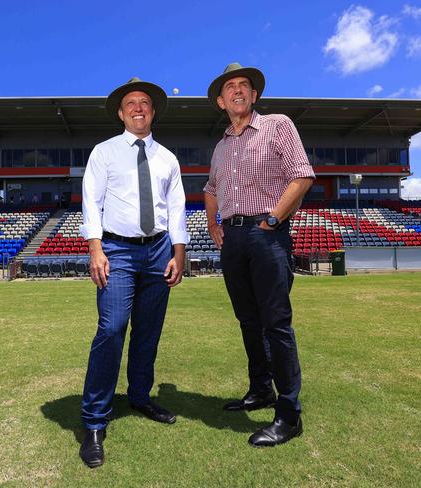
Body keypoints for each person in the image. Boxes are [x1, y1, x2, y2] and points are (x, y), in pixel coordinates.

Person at [78, 77, 188, 468]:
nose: (138, 108)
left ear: (153, 111)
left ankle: (140, 397)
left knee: (149, 330)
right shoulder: (104, 153)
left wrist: (179, 252)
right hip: (117, 250)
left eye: (145, 102)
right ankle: (94, 420)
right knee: (111, 328)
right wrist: (95, 248)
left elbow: (176, 209)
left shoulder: (168, 158)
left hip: (159, 250)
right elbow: (90, 202)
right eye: (131, 104)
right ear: (122, 113)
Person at [204, 63, 315, 447]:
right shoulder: (220, 147)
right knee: (248, 320)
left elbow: (302, 175)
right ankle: (261, 389)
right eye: (229, 87)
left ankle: (289, 412)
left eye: (243, 86)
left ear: (254, 95)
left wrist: (273, 217)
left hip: (266, 234)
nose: (237, 91)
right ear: (220, 101)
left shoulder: (277, 125)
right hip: (232, 239)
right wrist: (213, 224)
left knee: (276, 323)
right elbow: (210, 188)